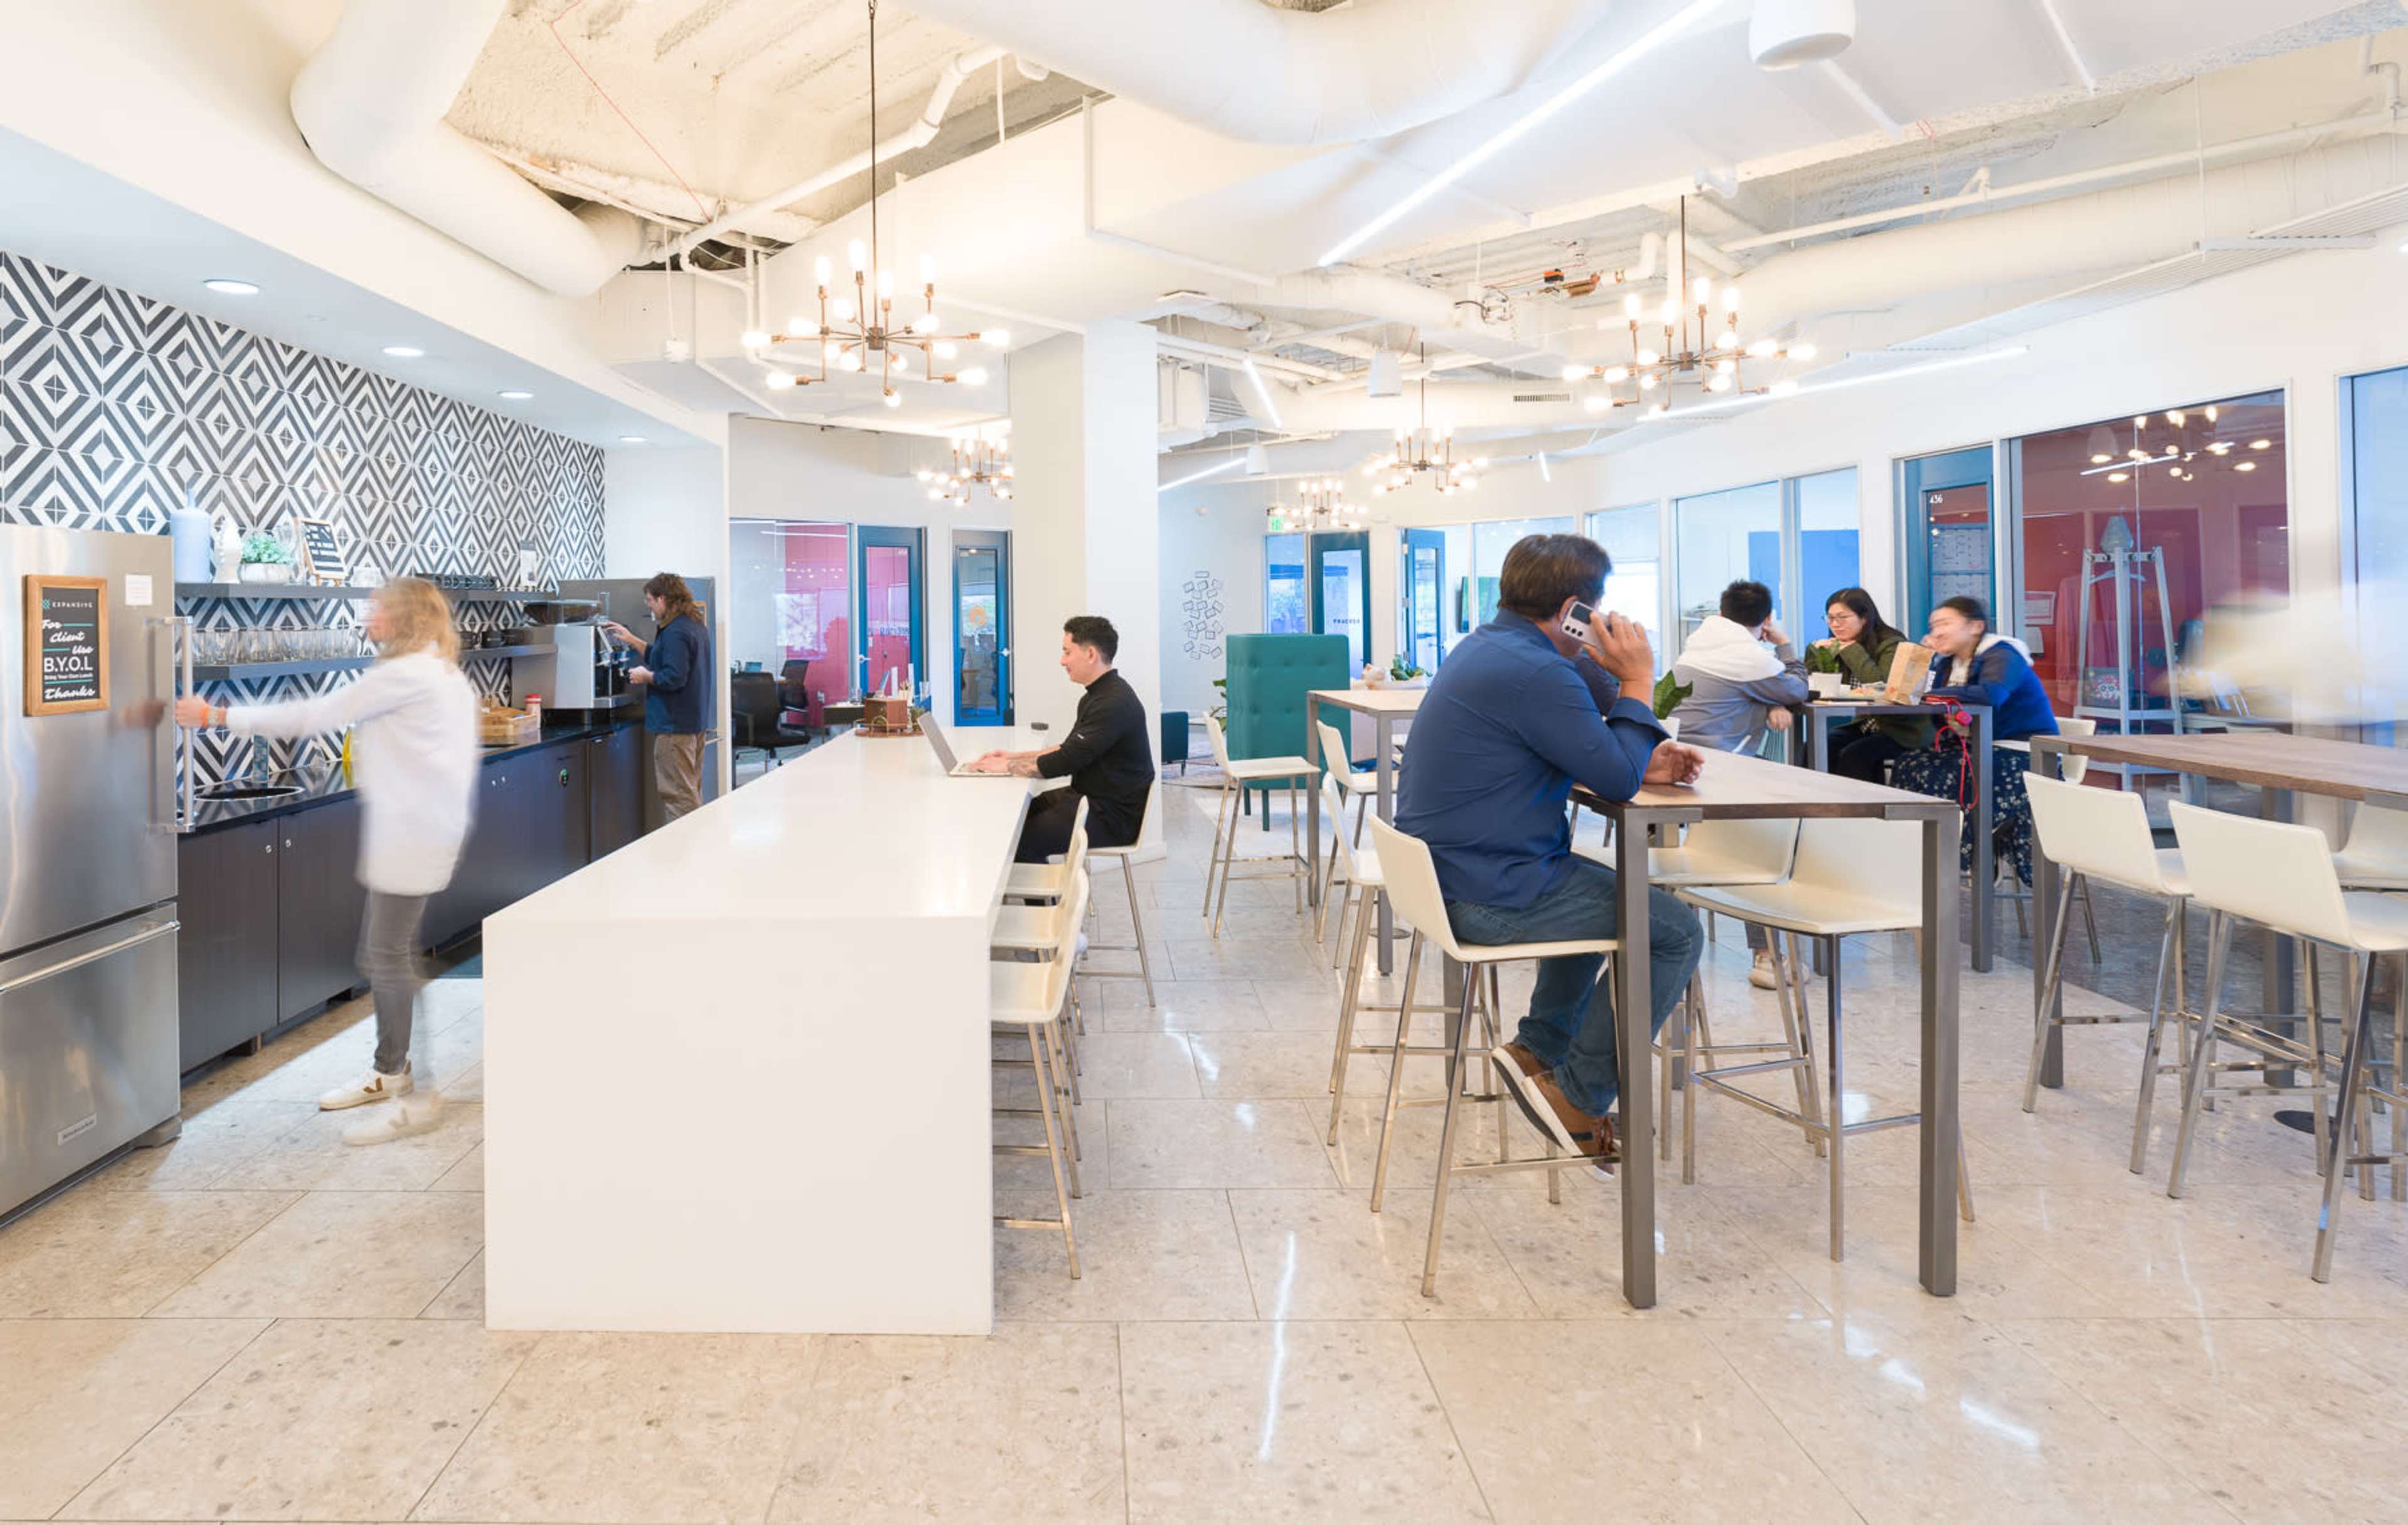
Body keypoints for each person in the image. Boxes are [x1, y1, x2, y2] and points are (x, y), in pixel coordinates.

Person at [1397, 533, 1705, 1173]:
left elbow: (1600, 752)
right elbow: (1615, 779)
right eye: (1595, 608)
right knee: (1672, 930)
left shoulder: (1490, 645)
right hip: (1486, 893)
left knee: (1602, 893)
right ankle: (1577, 1096)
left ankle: (1539, 1048)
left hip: (1450, 875)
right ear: (1574, 608)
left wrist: (1639, 752)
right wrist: (1640, 677)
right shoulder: (1535, 670)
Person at [174, 578, 477, 1146]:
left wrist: (215, 717)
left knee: (387, 957)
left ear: (403, 618)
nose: (369, 617)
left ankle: (404, 1086)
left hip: (413, 836)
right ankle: (395, 1071)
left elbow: (314, 714)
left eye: (378, 609)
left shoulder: (403, 674)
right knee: (388, 954)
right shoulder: (441, 671)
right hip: (429, 830)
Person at [1666, 579, 1807, 988]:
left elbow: (1742, 691)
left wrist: (1768, 699)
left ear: (1722, 614)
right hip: (1722, 771)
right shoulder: (1749, 657)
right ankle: (1768, 956)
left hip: (1671, 767)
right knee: (1767, 837)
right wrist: (1783, 647)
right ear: (1765, 620)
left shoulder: (1695, 649)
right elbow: (1797, 686)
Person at [1888, 595, 2060, 885]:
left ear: (1976, 626)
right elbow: (1923, 699)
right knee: (1910, 763)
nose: (1937, 631)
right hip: (1979, 750)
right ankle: (1922, 855)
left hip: (2023, 757)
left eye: (1945, 623)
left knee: (1947, 772)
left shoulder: (2003, 655)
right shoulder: (1949, 663)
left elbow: (1989, 695)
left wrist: (1927, 696)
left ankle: (1970, 855)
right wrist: (1926, 661)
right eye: (1933, 625)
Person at [970, 615, 1154, 862]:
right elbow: (1069, 749)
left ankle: (1053, 901)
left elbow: (1065, 761)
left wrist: (1006, 768)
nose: (1062, 661)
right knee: (1016, 818)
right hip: (1090, 799)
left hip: (1111, 816)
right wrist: (1011, 757)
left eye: (1067, 652)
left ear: (1090, 654)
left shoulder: (1113, 703)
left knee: (1018, 840)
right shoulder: (1097, 697)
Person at [605, 573, 714, 823]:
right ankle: (696, 852)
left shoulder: (675, 631)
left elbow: (674, 676)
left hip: (674, 726)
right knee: (690, 790)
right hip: (693, 722)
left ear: (663, 599)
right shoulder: (692, 624)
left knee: (678, 797)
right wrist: (632, 641)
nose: (650, 607)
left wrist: (646, 677)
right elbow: (665, 657)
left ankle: (685, 855)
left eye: (651, 601)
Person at [1666, 579, 1809, 754]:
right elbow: (1798, 690)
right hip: (1717, 758)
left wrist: (1773, 705)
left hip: (1673, 749)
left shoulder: (1697, 646)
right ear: (1768, 620)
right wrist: (1784, 643)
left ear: (1721, 614)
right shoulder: (1753, 659)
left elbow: (1736, 689)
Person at [1815, 586, 1933, 783]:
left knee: (1855, 755)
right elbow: (1824, 685)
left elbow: (1882, 688)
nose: (1835, 624)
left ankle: (1858, 811)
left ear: (1864, 618)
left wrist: (1853, 651)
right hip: (1867, 724)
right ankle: (1815, 805)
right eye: (1830, 618)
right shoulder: (1840, 644)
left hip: (1902, 729)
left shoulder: (1891, 644)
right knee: (1818, 746)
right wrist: (1821, 654)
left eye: (1842, 618)